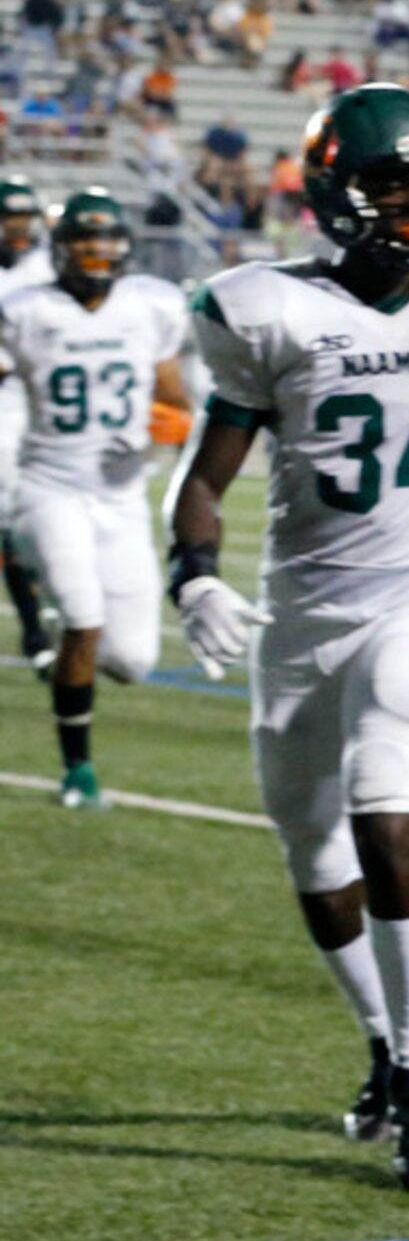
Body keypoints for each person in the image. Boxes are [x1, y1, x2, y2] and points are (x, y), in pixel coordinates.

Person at [166, 85, 409, 1189]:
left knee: (389, 820)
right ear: (337, 195)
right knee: (315, 854)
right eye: (393, 182)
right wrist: (194, 575)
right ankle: (385, 1044)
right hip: (303, 614)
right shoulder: (263, 312)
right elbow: (207, 479)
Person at [0, 191, 192, 807]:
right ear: (61, 248)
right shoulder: (25, 310)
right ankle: (77, 772)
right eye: (84, 238)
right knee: (85, 618)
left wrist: (172, 423)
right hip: (49, 488)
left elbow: (176, 401)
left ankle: (66, 637)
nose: (96, 250)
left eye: (106, 239)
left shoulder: (150, 306)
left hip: (122, 498)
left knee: (133, 660)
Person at [0, 174, 56, 672]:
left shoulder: (47, 267)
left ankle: (47, 618)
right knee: (11, 523)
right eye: (9, 223)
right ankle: (35, 625)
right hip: (7, 409)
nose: (18, 232)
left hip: (47, 409)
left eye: (24, 222)